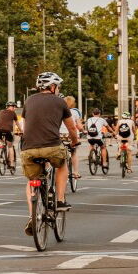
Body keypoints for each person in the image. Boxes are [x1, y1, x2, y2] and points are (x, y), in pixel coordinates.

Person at [20, 71, 80, 235]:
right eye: (58, 86)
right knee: (62, 164)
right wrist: (74, 142)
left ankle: (33, 214)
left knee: (31, 180)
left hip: (28, 148)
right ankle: (60, 199)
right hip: (52, 147)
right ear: (52, 87)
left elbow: (24, 125)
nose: (58, 88)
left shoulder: (28, 100)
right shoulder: (60, 103)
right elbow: (72, 128)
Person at [64, 95, 83, 183]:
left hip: (60, 136)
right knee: (74, 152)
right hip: (70, 136)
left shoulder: (59, 110)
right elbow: (79, 126)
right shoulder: (75, 112)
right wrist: (83, 130)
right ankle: (75, 172)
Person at [0, 101, 18, 169]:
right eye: (14, 107)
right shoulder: (13, 113)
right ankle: (12, 164)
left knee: (1, 142)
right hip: (8, 131)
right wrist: (21, 131)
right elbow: (17, 123)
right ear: (12, 107)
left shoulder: (1, 111)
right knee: (10, 147)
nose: (15, 108)